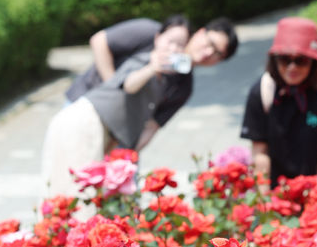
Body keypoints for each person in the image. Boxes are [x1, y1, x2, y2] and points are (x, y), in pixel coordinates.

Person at [41, 18, 238, 200]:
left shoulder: (184, 85)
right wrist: (112, 91)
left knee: (116, 190)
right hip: (85, 107)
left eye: (218, 54)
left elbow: (151, 126)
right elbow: (99, 41)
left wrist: (123, 158)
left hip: (116, 134)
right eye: (211, 44)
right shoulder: (149, 34)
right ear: (201, 32)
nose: (208, 53)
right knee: (69, 187)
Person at [240, 17, 317, 187]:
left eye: (301, 60)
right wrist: (264, 206)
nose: (292, 67)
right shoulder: (261, 92)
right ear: (275, 60)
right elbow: (260, 154)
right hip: (278, 190)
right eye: (285, 59)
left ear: (314, 62)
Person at [66, 14, 191, 103]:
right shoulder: (146, 31)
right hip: (86, 96)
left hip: (114, 119)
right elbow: (98, 40)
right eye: (170, 41)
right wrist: (112, 88)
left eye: (181, 45)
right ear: (158, 37)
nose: (174, 48)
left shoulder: (174, 72)